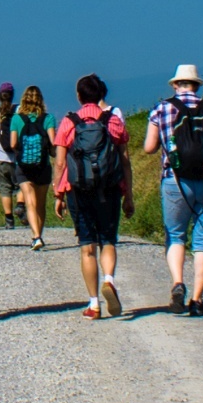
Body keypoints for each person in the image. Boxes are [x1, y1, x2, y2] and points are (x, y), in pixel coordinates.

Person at [144, 60, 203, 313]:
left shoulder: (161, 109)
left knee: (175, 234)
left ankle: (178, 283)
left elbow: (149, 148)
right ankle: (197, 299)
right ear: (196, 85)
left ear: (175, 85)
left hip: (175, 180)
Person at [58, 72, 131, 318]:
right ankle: (109, 279)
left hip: (79, 191)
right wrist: (128, 194)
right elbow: (124, 160)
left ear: (79, 96)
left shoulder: (69, 122)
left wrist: (59, 194)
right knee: (108, 240)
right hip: (109, 189)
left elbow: (60, 163)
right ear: (101, 94)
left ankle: (94, 304)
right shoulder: (113, 122)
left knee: (87, 247)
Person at [1, 84, 55, 245]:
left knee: (29, 202)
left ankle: (35, 236)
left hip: (23, 166)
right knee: (41, 204)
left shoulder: (17, 119)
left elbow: (12, 143)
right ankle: (40, 232)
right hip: (43, 165)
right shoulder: (48, 118)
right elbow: (53, 142)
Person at [0, 83, 18, 220]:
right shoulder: (19, 111)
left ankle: (9, 218)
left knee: (5, 189)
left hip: (0, 157)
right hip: (17, 156)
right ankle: (21, 206)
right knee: (20, 185)